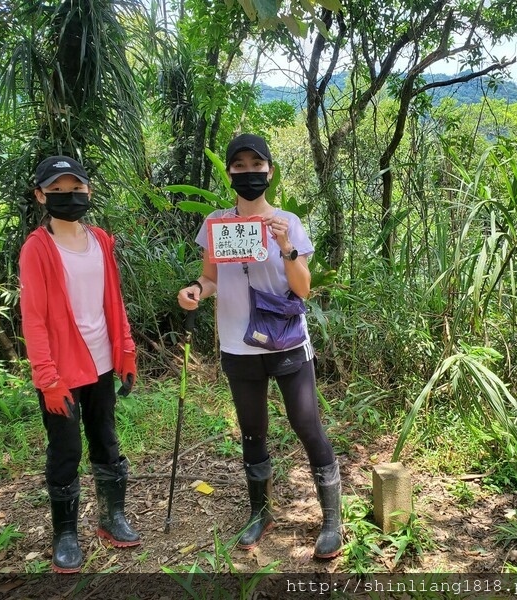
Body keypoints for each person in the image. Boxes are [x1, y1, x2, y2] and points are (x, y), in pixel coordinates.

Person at [177, 134, 342, 559]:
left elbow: (302, 289)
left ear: (269, 170)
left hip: (286, 341)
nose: (248, 172)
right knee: (252, 430)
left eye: (257, 165)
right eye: (240, 166)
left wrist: (286, 246)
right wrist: (196, 289)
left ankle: (331, 520)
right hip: (237, 343)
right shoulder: (217, 223)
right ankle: (260, 512)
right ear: (230, 172)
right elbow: (211, 277)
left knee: (306, 425)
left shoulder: (288, 222)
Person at [19, 155, 141, 573]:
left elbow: (114, 301)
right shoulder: (37, 248)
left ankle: (112, 518)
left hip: (103, 361)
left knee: (106, 439)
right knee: (65, 450)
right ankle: (66, 534)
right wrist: (47, 378)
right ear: (41, 195)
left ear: (87, 190)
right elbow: (33, 318)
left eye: (76, 189)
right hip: (61, 370)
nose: (68, 197)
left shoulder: (101, 240)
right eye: (57, 190)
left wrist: (126, 350)